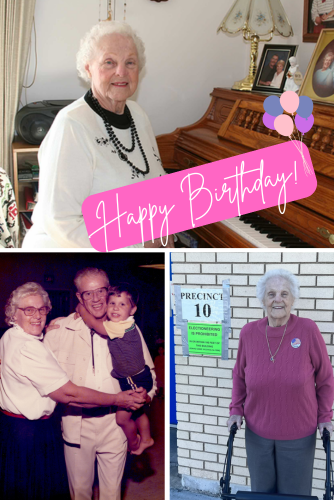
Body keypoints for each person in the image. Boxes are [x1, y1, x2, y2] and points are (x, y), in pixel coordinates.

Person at [22, 21, 174, 249]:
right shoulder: (71, 125)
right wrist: (139, 245)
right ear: (88, 68)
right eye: (109, 62)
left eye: (130, 62)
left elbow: (152, 185)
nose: (121, 72)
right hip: (73, 257)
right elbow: (63, 224)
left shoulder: (138, 115)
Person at [0, 282, 145, 500]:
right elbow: (69, 394)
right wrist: (118, 399)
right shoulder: (38, 340)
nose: (37, 316)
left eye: (41, 309)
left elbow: (146, 370)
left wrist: (146, 393)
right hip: (35, 431)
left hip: (108, 425)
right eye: (29, 310)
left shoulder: (13, 336)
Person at [44, 268, 156, 500]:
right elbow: (45, 378)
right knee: (80, 492)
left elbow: (149, 376)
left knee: (111, 493)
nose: (95, 299)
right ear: (78, 297)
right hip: (77, 423)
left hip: (116, 422)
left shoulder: (125, 326)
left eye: (101, 291)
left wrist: (145, 396)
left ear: (109, 291)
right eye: (87, 293)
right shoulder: (59, 330)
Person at [227, 269, 334, 496]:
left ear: (293, 299)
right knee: (262, 493)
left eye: (284, 294)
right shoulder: (248, 333)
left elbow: (325, 377)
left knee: (294, 494)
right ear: (262, 299)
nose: (278, 299)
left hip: (299, 434)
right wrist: (236, 410)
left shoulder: (307, 330)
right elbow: (239, 375)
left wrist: (325, 416)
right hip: (257, 433)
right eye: (271, 294)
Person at [77, 283, 154, 455]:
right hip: (136, 377)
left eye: (122, 304)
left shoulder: (120, 326)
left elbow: (96, 326)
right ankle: (147, 438)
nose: (115, 308)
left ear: (132, 310)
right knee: (139, 412)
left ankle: (134, 444)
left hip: (133, 379)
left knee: (121, 419)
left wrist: (82, 310)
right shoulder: (125, 323)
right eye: (112, 303)